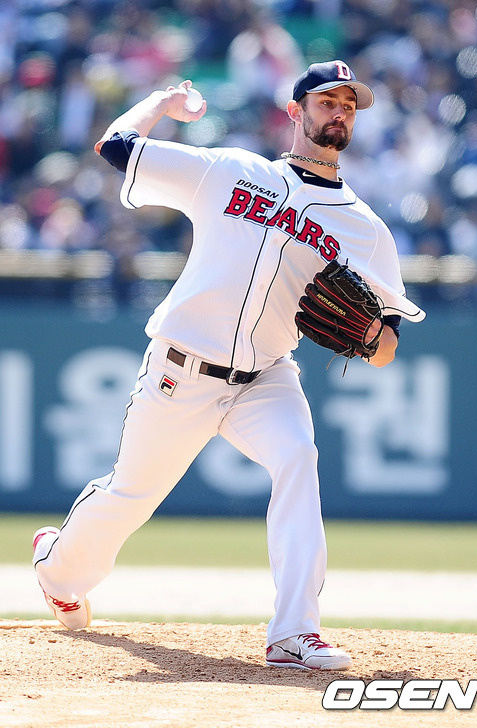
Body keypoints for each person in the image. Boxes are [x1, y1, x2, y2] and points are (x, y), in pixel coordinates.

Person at [33, 60, 425, 671]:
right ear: (294, 112)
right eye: (326, 101)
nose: (339, 113)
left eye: (349, 105)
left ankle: (294, 632)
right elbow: (115, 145)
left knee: (297, 458)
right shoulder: (232, 171)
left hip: (267, 376)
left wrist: (371, 336)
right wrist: (163, 101)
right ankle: (56, 567)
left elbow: (388, 343)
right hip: (182, 368)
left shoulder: (365, 229)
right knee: (131, 495)